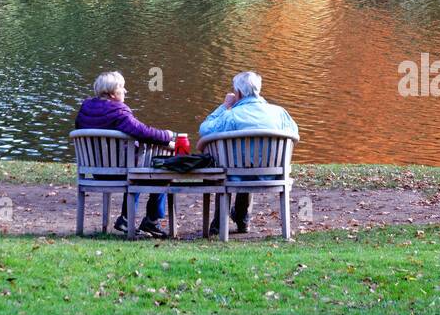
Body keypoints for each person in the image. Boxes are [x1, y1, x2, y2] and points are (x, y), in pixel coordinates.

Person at [75, 71, 175, 238]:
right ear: (113, 93)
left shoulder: (85, 109)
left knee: (138, 168)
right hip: (121, 172)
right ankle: (150, 220)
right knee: (160, 170)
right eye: (122, 87)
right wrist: (168, 135)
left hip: (96, 171)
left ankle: (128, 219)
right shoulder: (118, 112)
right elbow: (143, 132)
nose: (125, 91)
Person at [197, 70, 298, 234]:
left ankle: (220, 223)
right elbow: (294, 133)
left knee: (235, 166)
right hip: (273, 173)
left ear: (237, 92)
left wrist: (224, 106)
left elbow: (204, 129)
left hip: (233, 174)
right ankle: (242, 220)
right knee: (250, 164)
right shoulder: (280, 113)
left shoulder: (231, 116)